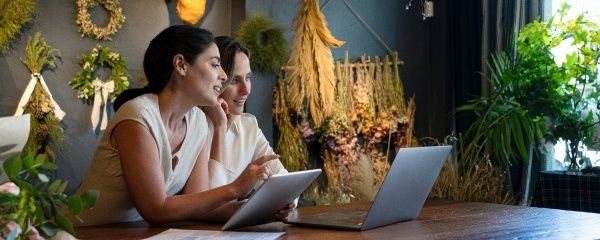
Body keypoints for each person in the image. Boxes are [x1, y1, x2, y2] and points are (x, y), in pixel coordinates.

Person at [74, 25, 283, 226]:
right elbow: (155, 209)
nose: (223, 75)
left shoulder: (197, 121)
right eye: (214, 64)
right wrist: (235, 189)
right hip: (85, 232)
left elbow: (200, 203)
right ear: (181, 65)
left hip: (136, 234)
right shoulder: (137, 117)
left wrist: (266, 209)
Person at [203, 36, 291, 191]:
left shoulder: (248, 126)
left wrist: (288, 201)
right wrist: (219, 126)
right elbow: (209, 199)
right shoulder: (193, 127)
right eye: (235, 80)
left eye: (248, 78)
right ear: (216, 79)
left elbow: (283, 179)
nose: (246, 89)